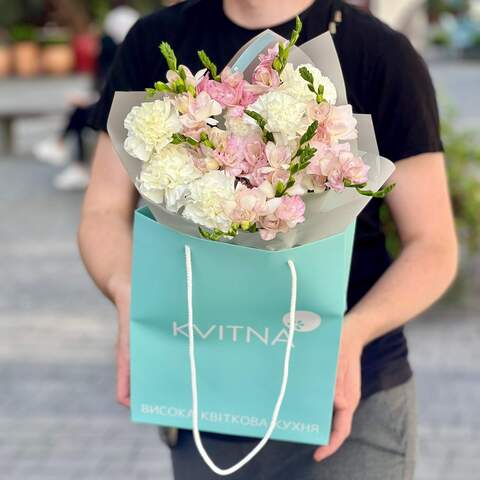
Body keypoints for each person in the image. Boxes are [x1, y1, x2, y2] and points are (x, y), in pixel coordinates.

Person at [78, 1, 458, 479]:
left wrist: (354, 333)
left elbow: (433, 244)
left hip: (345, 399)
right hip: (205, 387)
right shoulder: (156, 39)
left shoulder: (378, 52)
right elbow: (102, 210)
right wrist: (129, 292)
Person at [34, 0, 139, 191]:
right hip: (114, 101)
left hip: (121, 107)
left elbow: (120, 92)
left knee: (82, 112)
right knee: (82, 110)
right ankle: (68, 154)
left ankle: (67, 152)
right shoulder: (123, 42)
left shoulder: (118, 45)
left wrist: (91, 99)